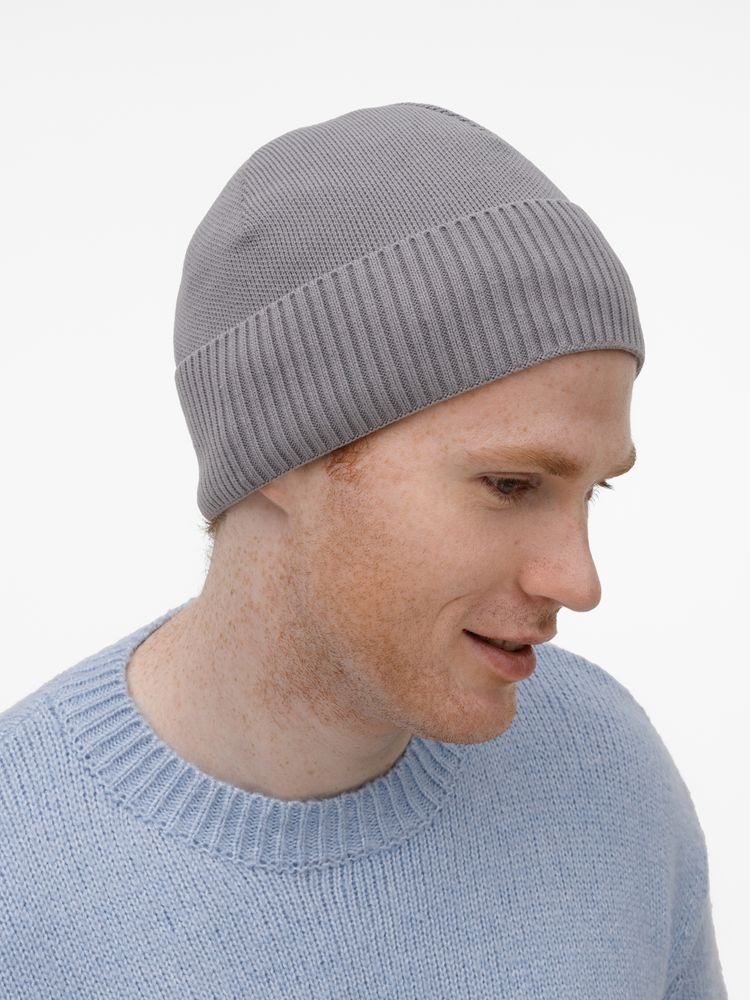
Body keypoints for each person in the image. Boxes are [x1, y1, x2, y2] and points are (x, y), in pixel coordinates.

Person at [0, 102, 727, 998]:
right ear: (287, 449)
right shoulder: (18, 872)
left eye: (594, 491)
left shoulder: (606, 774)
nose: (578, 581)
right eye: (510, 485)